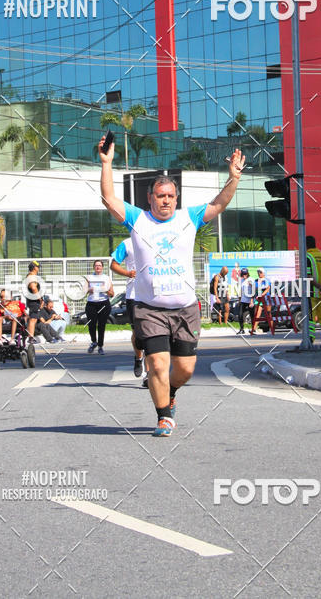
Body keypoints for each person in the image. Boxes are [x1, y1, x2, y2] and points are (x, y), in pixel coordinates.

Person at [100, 136, 245, 437]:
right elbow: (109, 200)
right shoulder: (137, 220)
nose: (165, 200)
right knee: (156, 363)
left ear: (175, 199)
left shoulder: (188, 218)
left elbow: (219, 203)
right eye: (159, 195)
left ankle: (172, 392)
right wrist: (106, 163)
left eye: (169, 196)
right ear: (150, 199)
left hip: (185, 309)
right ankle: (163, 416)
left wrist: (233, 178)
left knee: (186, 369)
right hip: (148, 309)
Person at [111, 238, 145, 377]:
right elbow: (114, 265)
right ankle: (138, 358)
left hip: (152, 294)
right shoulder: (127, 243)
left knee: (152, 334)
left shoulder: (155, 240)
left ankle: (149, 373)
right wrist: (128, 273)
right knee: (137, 334)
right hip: (133, 295)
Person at [85, 260, 114, 355]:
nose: (98, 267)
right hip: (92, 303)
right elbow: (84, 290)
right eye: (96, 265)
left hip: (103, 303)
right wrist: (91, 289)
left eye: (100, 265)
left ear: (102, 267)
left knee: (101, 325)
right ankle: (94, 342)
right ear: (94, 267)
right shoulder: (89, 277)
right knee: (91, 324)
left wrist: (104, 290)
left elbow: (112, 293)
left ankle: (100, 346)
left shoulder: (106, 278)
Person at [251, 267, 272, 335]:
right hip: (258, 299)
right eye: (258, 272)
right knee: (257, 314)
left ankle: (272, 327)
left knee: (268, 313)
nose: (259, 273)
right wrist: (252, 300)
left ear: (263, 273)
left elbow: (267, 289)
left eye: (260, 272)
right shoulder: (256, 281)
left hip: (266, 298)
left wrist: (262, 295)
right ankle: (253, 329)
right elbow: (254, 291)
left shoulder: (266, 280)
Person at [24, 264, 42, 342]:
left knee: (34, 318)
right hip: (33, 300)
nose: (38, 268)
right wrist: (39, 298)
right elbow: (33, 288)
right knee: (33, 318)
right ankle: (30, 337)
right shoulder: (31, 277)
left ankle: (30, 335)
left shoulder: (32, 276)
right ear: (34, 268)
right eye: (37, 266)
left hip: (33, 299)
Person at [236, 268, 253, 334]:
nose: (244, 275)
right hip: (243, 300)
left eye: (245, 274)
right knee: (240, 314)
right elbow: (240, 291)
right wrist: (239, 300)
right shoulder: (241, 280)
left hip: (249, 300)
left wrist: (251, 301)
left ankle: (252, 329)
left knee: (252, 315)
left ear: (247, 273)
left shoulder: (251, 280)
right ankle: (241, 329)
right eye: (243, 274)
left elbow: (253, 291)